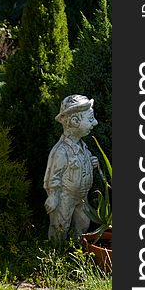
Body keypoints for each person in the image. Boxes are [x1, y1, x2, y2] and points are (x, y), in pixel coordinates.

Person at [43, 94, 99, 243]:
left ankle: (77, 249)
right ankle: (57, 253)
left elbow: (81, 161)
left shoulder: (82, 146)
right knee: (60, 225)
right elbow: (52, 175)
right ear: (74, 121)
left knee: (83, 223)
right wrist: (53, 195)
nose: (95, 123)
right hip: (65, 196)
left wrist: (90, 161)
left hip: (82, 196)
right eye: (90, 118)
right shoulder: (61, 151)